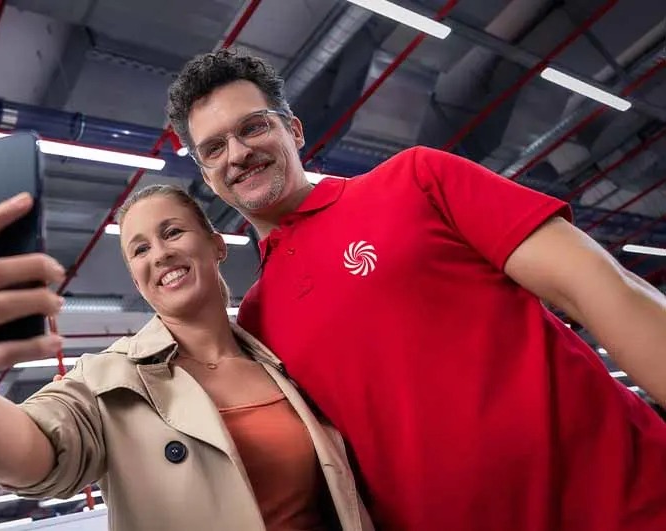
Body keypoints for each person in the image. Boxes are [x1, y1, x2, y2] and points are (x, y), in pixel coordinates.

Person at [165, 48, 666, 531]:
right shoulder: (255, 322)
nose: (239, 153)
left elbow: (601, 288)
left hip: (634, 505)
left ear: (293, 130)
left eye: (253, 126)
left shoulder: (416, 179)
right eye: (214, 147)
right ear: (207, 176)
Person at [0, 185, 374, 531]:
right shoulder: (109, 380)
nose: (159, 254)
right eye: (139, 249)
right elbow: (40, 450)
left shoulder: (280, 360)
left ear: (216, 245)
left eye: (172, 233)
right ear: (135, 275)